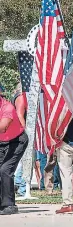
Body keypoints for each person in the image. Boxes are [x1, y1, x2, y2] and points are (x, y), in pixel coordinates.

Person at [0, 84, 28, 215]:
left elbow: (3, 126)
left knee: (5, 169)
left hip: (17, 141)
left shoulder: (7, 108)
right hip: (2, 141)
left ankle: (9, 205)